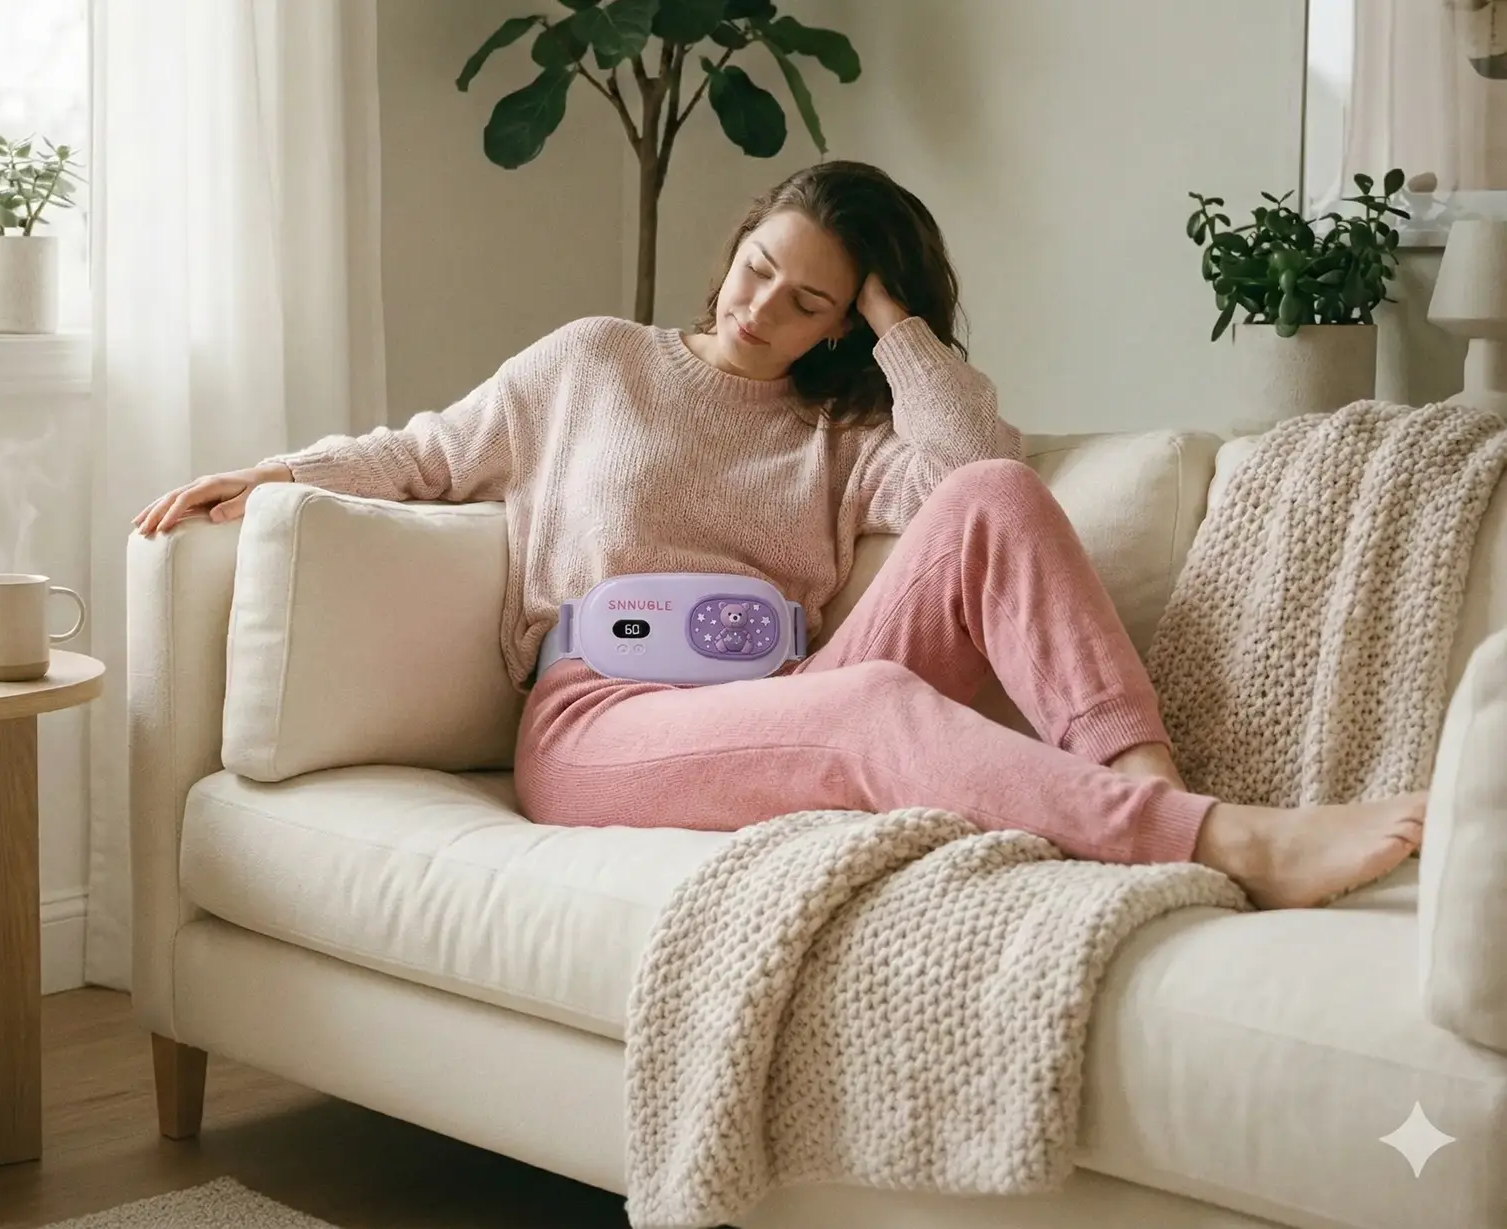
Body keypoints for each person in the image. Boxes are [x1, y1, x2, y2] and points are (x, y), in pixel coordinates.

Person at [131, 160, 1424, 910]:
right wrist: (273, 472)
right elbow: (421, 455)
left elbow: (982, 475)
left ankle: (1148, 795)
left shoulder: (842, 435)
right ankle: (1235, 842)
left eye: (809, 301)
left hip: (781, 695)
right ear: (733, 241)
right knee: (862, 704)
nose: (762, 308)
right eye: (759, 268)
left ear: (839, 325)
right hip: (603, 720)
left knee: (993, 504)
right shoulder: (593, 361)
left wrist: (901, 327)